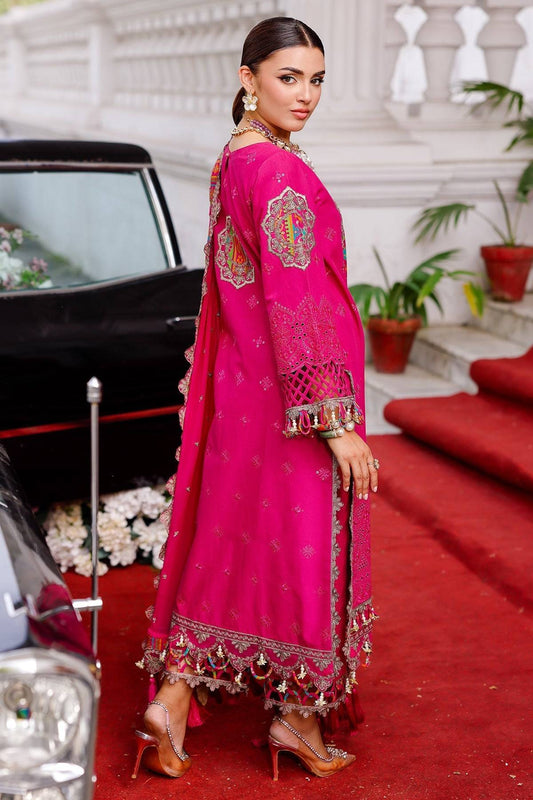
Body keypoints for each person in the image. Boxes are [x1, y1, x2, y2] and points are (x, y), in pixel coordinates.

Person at [132, 16, 379, 782]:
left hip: (245, 388)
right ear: (248, 79)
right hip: (292, 401)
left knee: (232, 540)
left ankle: (172, 700)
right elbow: (296, 299)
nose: (305, 95)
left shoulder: (235, 159)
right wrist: (333, 421)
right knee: (304, 553)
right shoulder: (276, 171)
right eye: (287, 77)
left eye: (316, 80)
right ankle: (297, 717)